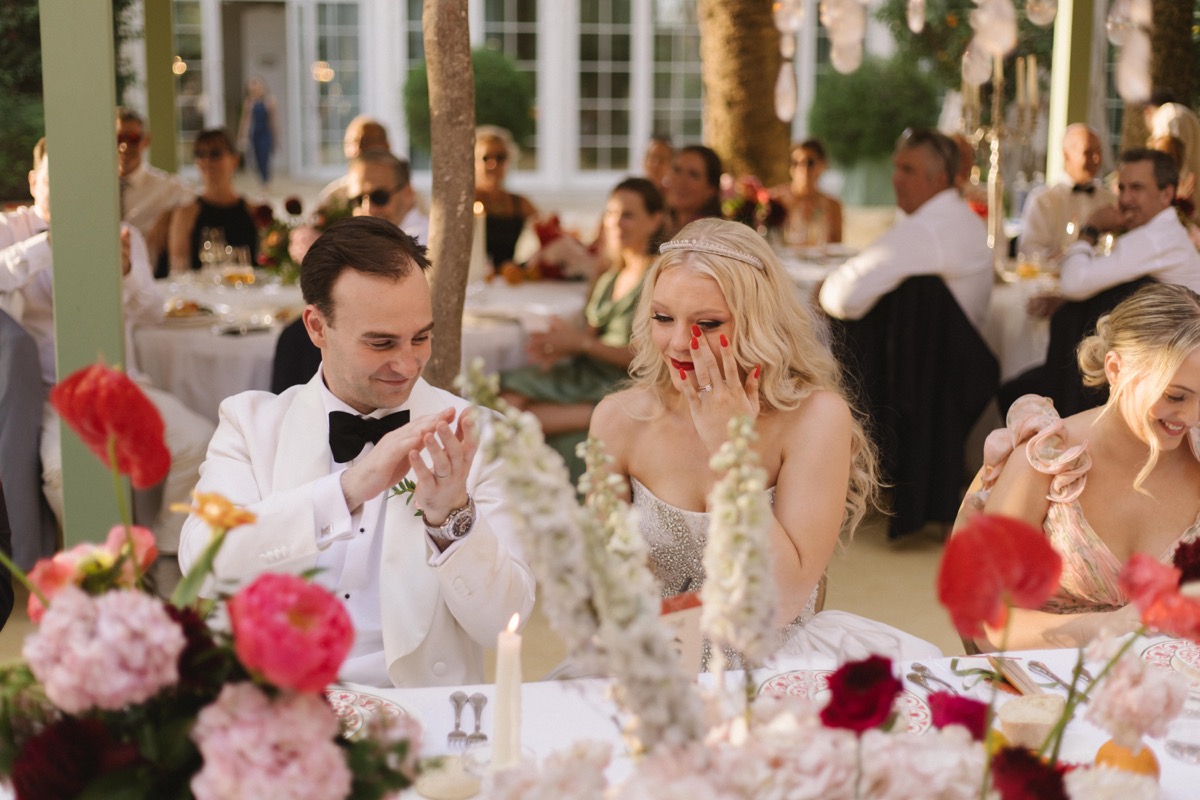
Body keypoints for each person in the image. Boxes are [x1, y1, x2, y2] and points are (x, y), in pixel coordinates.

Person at [178, 216, 535, 688]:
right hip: (283, 705)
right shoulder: (251, 426)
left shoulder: (479, 437)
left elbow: (505, 623)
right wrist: (346, 490)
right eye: (381, 343)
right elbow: (202, 564)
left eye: (421, 337)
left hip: (421, 711)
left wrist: (451, 518)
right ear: (317, 327)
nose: (407, 364)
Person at [590, 218, 943, 664]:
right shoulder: (618, 420)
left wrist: (730, 453)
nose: (679, 342)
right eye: (663, 318)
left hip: (776, 664)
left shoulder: (815, 418)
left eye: (708, 324)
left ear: (758, 323)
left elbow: (782, 601)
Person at [0, 139, 214, 592]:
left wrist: (126, 274)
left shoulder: (121, 233)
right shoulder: (11, 229)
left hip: (121, 383)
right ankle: (94, 574)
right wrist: (51, 244)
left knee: (198, 443)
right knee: (63, 474)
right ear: (35, 182)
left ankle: (161, 552)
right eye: (55, 182)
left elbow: (151, 311)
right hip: (52, 393)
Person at [958, 282, 1200, 650]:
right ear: (1115, 369)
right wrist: (1102, 627)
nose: (1193, 417)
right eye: (1175, 396)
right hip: (1050, 678)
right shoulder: (1045, 462)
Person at [501, 178, 665, 481]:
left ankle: (603, 415)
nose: (616, 223)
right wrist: (558, 346)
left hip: (623, 380)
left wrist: (580, 344)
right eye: (611, 213)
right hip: (588, 371)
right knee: (504, 400)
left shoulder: (658, 276)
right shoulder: (611, 274)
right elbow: (587, 337)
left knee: (518, 416)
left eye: (628, 215)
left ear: (655, 220)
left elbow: (651, 355)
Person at [819, 128, 993, 332]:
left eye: (908, 170)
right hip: (955, 347)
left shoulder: (929, 228)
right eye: (897, 168)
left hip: (930, 351)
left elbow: (842, 298)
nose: (896, 179)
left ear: (939, 179)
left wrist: (821, 289)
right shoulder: (964, 218)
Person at [1055, 149, 1200, 302]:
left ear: (1166, 195)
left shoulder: (1154, 238)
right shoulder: (1166, 229)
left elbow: (1072, 284)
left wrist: (1092, 228)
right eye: (1122, 188)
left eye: (1136, 188)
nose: (1124, 199)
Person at [1017, 124, 1116, 259]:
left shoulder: (1111, 200)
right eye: (1088, 152)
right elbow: (1029, 251)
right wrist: (1066, 257)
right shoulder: (1043, 201)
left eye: (1098, 151)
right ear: (1066, 155)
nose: (1096, 158)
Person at [167, 129, 259, 274]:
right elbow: (179, 271)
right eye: (200, 154)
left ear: (234, 160)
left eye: (215, 154)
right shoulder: (185, 214)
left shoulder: (253, 211)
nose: (207, 161)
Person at [116, 107, 194, 272]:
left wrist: (169, 213)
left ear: (146, 141)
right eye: (118, 138)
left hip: (147, 277)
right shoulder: (97, 188)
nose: (124, 146)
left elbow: (197, 198)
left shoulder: (165, 187)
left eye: (133, 138)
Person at [475, 126, 537, 271]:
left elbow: (547, 230)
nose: (493, 164)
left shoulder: (519, 202)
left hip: (507, 278)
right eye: (486, 158)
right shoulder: (465, 201)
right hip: (474, 279)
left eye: (500, 158)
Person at [769, 139, 843, 247]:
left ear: (822, 165)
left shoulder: (832, 206)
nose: (802, 168)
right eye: (795, 163)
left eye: (809, 162)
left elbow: (837, 248)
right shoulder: (776, 200)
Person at [347, 151, 429, 244]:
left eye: (379, 197)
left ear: (407, 193)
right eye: (358, 200)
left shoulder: (423, 242)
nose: (368, 210)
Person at [319, 116, 393, 207]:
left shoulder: (404, 194)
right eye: (351, 142)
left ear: (386, 145)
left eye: (366, 141)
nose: (358, 149)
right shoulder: (334, 198)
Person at [663, 144, 723, 239]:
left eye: (693, 175)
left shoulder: (714, 238)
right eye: (677, 170)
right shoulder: (657, 225)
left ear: (711, 189)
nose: (680, 181)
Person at [237, 77, 278, 187]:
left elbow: (272, 121)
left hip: (266, 133)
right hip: (254, 134)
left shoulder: (269, 101)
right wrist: (242, 136)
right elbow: (246, 121)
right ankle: (262, 182)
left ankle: (265, 185)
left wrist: (275, 137)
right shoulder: (249, 102)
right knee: (257, 159)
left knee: (265, 158)